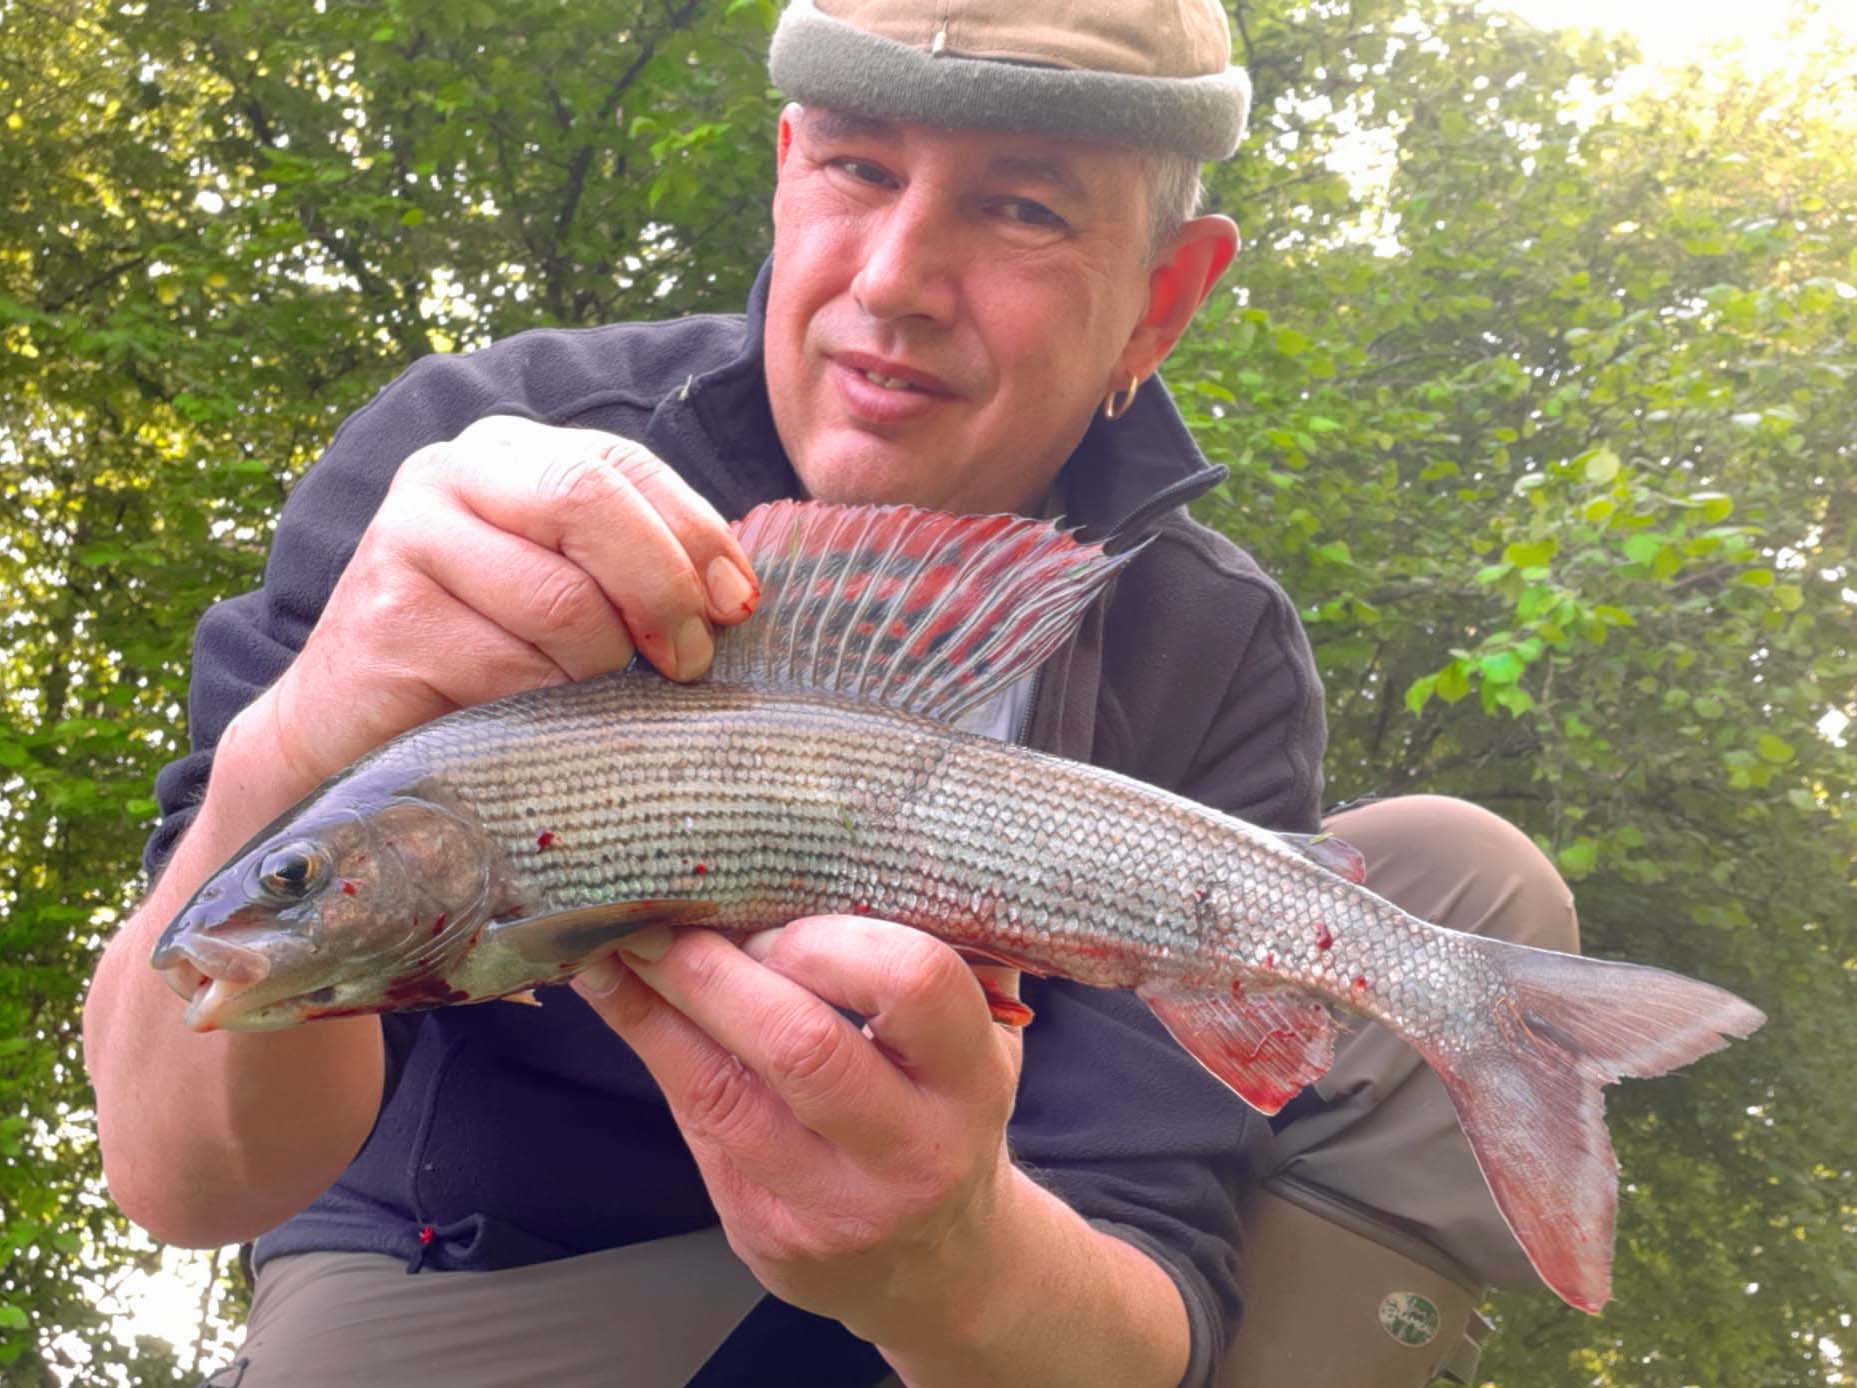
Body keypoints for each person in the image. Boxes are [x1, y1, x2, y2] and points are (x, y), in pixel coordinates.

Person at [83, 1, 1577, 1384]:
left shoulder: (1211, 641)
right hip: (495, 1273)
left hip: (982, 1268)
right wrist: (313, 721)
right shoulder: (471, 462)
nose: (893, 283)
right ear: (786, 170)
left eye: (1022, 205)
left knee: (1463, 882)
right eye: (859, 168)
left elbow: (1144, 1263)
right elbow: (182, 1179)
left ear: (1159, 299)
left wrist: (944, 1259)